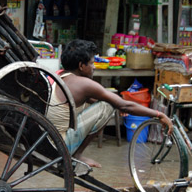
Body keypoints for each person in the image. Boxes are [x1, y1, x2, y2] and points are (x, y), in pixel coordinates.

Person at [46, 39, 173, 168]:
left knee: (110, 103)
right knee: (107, 106)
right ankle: (76, 155)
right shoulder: (83, 84)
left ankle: (76, 154)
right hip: (61, 144)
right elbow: (125, 105)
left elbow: (93, 100)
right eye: (92, 63)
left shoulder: (58, 76)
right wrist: (158, 114)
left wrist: (119, 105)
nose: (94, 67)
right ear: (81, 66)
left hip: (46, 139)